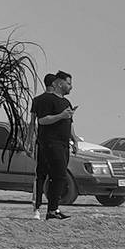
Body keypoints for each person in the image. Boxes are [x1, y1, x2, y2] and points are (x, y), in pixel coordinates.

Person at [30, 70, 74, 222]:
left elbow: (69, 123)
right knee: (51, 175)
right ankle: (43, 208)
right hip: (50, 143)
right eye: (68, 83)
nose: (71, 87)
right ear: (58, 83)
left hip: (64, 144)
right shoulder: (44, 100)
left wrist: (74, 139)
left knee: (59, 176)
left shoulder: (66, 102)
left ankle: (53, 209)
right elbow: (40, 121)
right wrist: (61, 116)